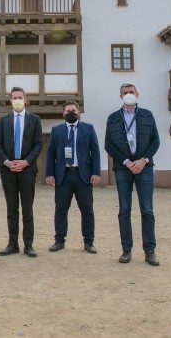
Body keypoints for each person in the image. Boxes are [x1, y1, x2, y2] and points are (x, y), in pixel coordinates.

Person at [104, 82, 161, 266]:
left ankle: (150, 251)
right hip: (123, 169)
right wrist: (127, 162)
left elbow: (155, 141)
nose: (128, 95)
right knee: (124, 210)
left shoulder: (147, 115)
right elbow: (109, 145)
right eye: (124, 93)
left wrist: (143, 159)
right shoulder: (113, 118)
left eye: (131, 92)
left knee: (147, 210)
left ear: (137, 94)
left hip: (144, 168)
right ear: (120, 96)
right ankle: (126, 250)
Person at [45, 101, 101, 253]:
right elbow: (50, 153)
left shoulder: (88, 128)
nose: (71, 113)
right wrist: (49, 173)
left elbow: (95, 151)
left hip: (83, 176)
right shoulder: (56, 130)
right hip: (63, 176)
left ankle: (89, 242)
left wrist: (96, 172)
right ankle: (59, 240)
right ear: (63, 113)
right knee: (61, 209)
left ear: (79, 112)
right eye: (68, 110)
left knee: (87, 210)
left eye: (74, 110)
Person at [0, 86, 43, 258]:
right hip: (8, 171)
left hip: (27, 170)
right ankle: (12, 244)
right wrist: (7, 162)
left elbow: (38, 144)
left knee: (27, 209)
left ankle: (28, 245)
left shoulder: (35, 120)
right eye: (14, 97)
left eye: (20, 97)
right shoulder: (3, 121)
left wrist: (26, 162)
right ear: (10, 100)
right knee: (11, 209)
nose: (17, 100)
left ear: (26, 99)